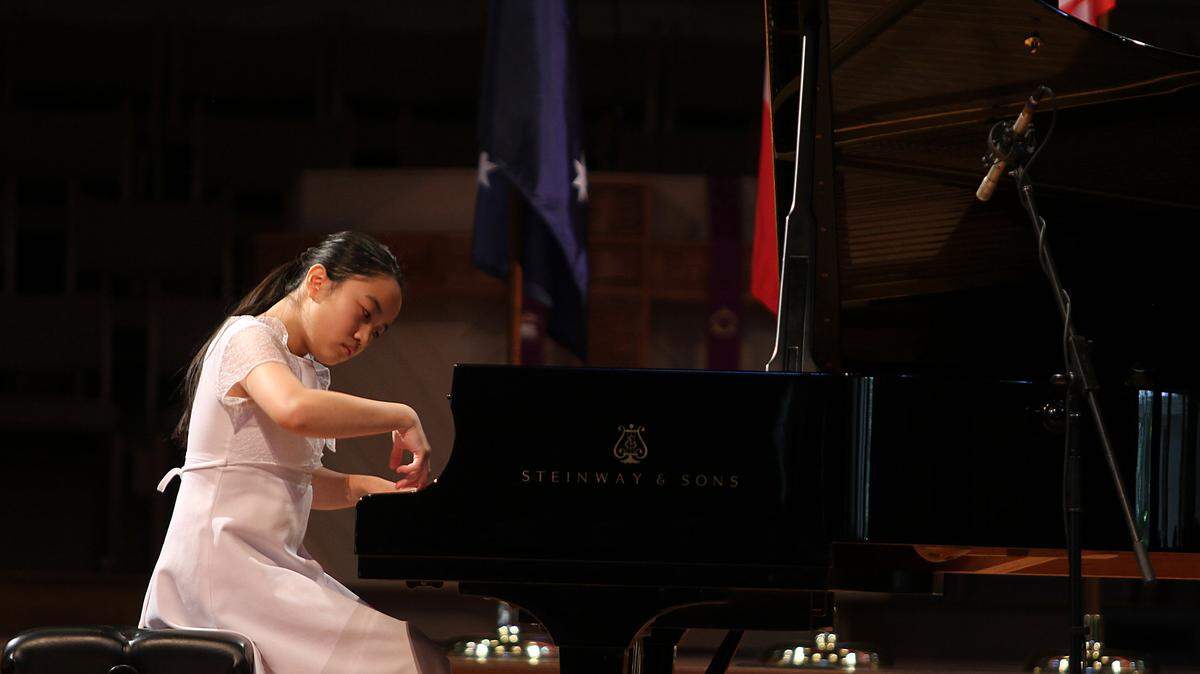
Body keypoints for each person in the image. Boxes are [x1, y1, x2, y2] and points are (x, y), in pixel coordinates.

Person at [140, 231, 449, 674]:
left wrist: (371, 489)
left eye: (376, 333)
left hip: (261, 569)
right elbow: (294, 410)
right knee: (410, 659)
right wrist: (403, 415)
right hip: (221, 571)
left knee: (420, 656)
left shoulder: (305, 370)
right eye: (363, 314)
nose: (363, 337)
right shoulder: (247, 335)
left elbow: (288, 478)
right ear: (318, 281)